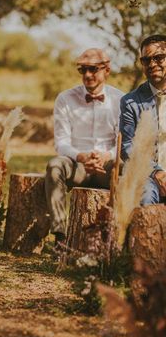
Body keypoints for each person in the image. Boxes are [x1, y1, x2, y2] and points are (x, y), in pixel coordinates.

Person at [45, 48, 124, 244]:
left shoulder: (120, 100)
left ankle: (118, 238)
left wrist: (106, 156)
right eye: (83, 70)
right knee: (55, 166)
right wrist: (81, 157)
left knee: (129, 171)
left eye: (93, 69)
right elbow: (61, 142)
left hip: (108, 167)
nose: (87, 75)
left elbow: (123, 143)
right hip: (77, 166)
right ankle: (60, 237)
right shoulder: (65, 99)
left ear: (107, 70)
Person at [120, 34, 166, 205]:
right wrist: (157, 173)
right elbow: (127, 147)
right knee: (145, 195)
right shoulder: (130, 102)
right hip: (148, 174)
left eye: (159, 57)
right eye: (146, 60)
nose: (153, 64)